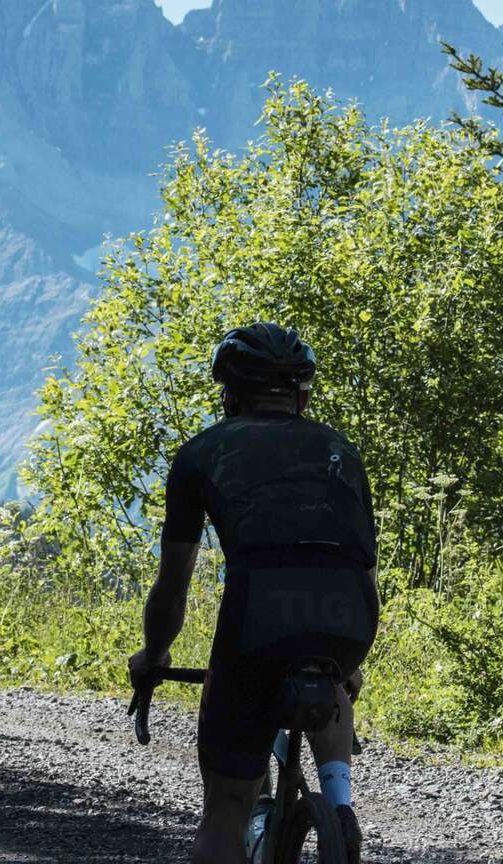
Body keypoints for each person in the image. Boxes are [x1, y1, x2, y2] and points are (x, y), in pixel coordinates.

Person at [128, 323, 379, 864]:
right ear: (302, 395)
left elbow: (173, 587)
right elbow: (362, 563)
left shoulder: (202, 453)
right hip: (352, 617)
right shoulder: (343, 451)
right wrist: (348, 657)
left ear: (229, 393)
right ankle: (340, 805)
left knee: (225, 809)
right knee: (329, 673)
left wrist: (155, 654)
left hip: (258, 619)